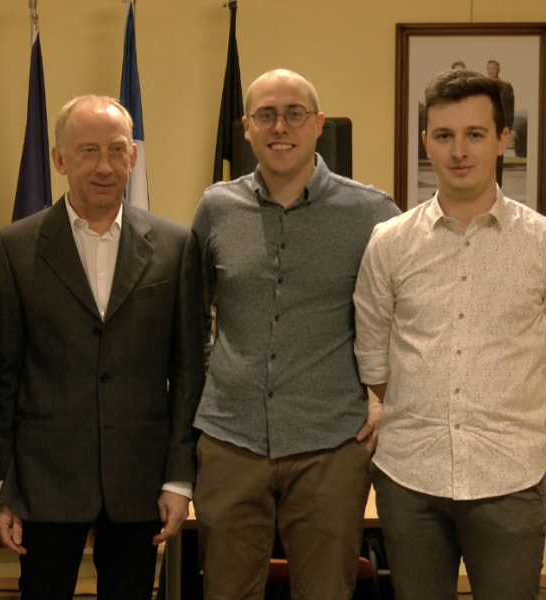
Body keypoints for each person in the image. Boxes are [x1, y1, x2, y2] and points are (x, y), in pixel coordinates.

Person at [190, 69, 400, 599]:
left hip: (330, 444)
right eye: (266, 114)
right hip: (230, 439)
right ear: (246, 127)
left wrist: (384, 400)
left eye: (294, 114)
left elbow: (409, 318)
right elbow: (189, 317)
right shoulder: (216, 208)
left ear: (318, 124)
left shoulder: (372, 213)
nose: (280, 126)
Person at [0, 94, 204, 600]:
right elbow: (4, 376)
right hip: (45, 480)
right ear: (60, 159)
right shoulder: (14, 247)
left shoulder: (176, 246)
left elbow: (189, 370)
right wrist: (3, 487)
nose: (104, 166)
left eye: (117, 150)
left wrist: (179, 479)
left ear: (133, 157)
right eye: (87, 151)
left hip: (141, 479)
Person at [354, 69, 546, 600]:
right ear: (426, 143)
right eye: (443, 136)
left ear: (505, 139)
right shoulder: (389, 242)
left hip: (511, 475)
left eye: (475, 134)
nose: (458, 151)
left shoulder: (540, 245)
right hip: (410, 476)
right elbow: (372, 350)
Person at [486, 59, 516, 187]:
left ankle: (498, 186)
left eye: (493, 68)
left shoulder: (506, 86)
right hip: (486, 126)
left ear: (498, 70)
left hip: (500, 127)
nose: (491, 71)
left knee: (498, 158)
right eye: (489, 69)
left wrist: (508, 127)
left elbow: (510, 108)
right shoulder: (483, 87)